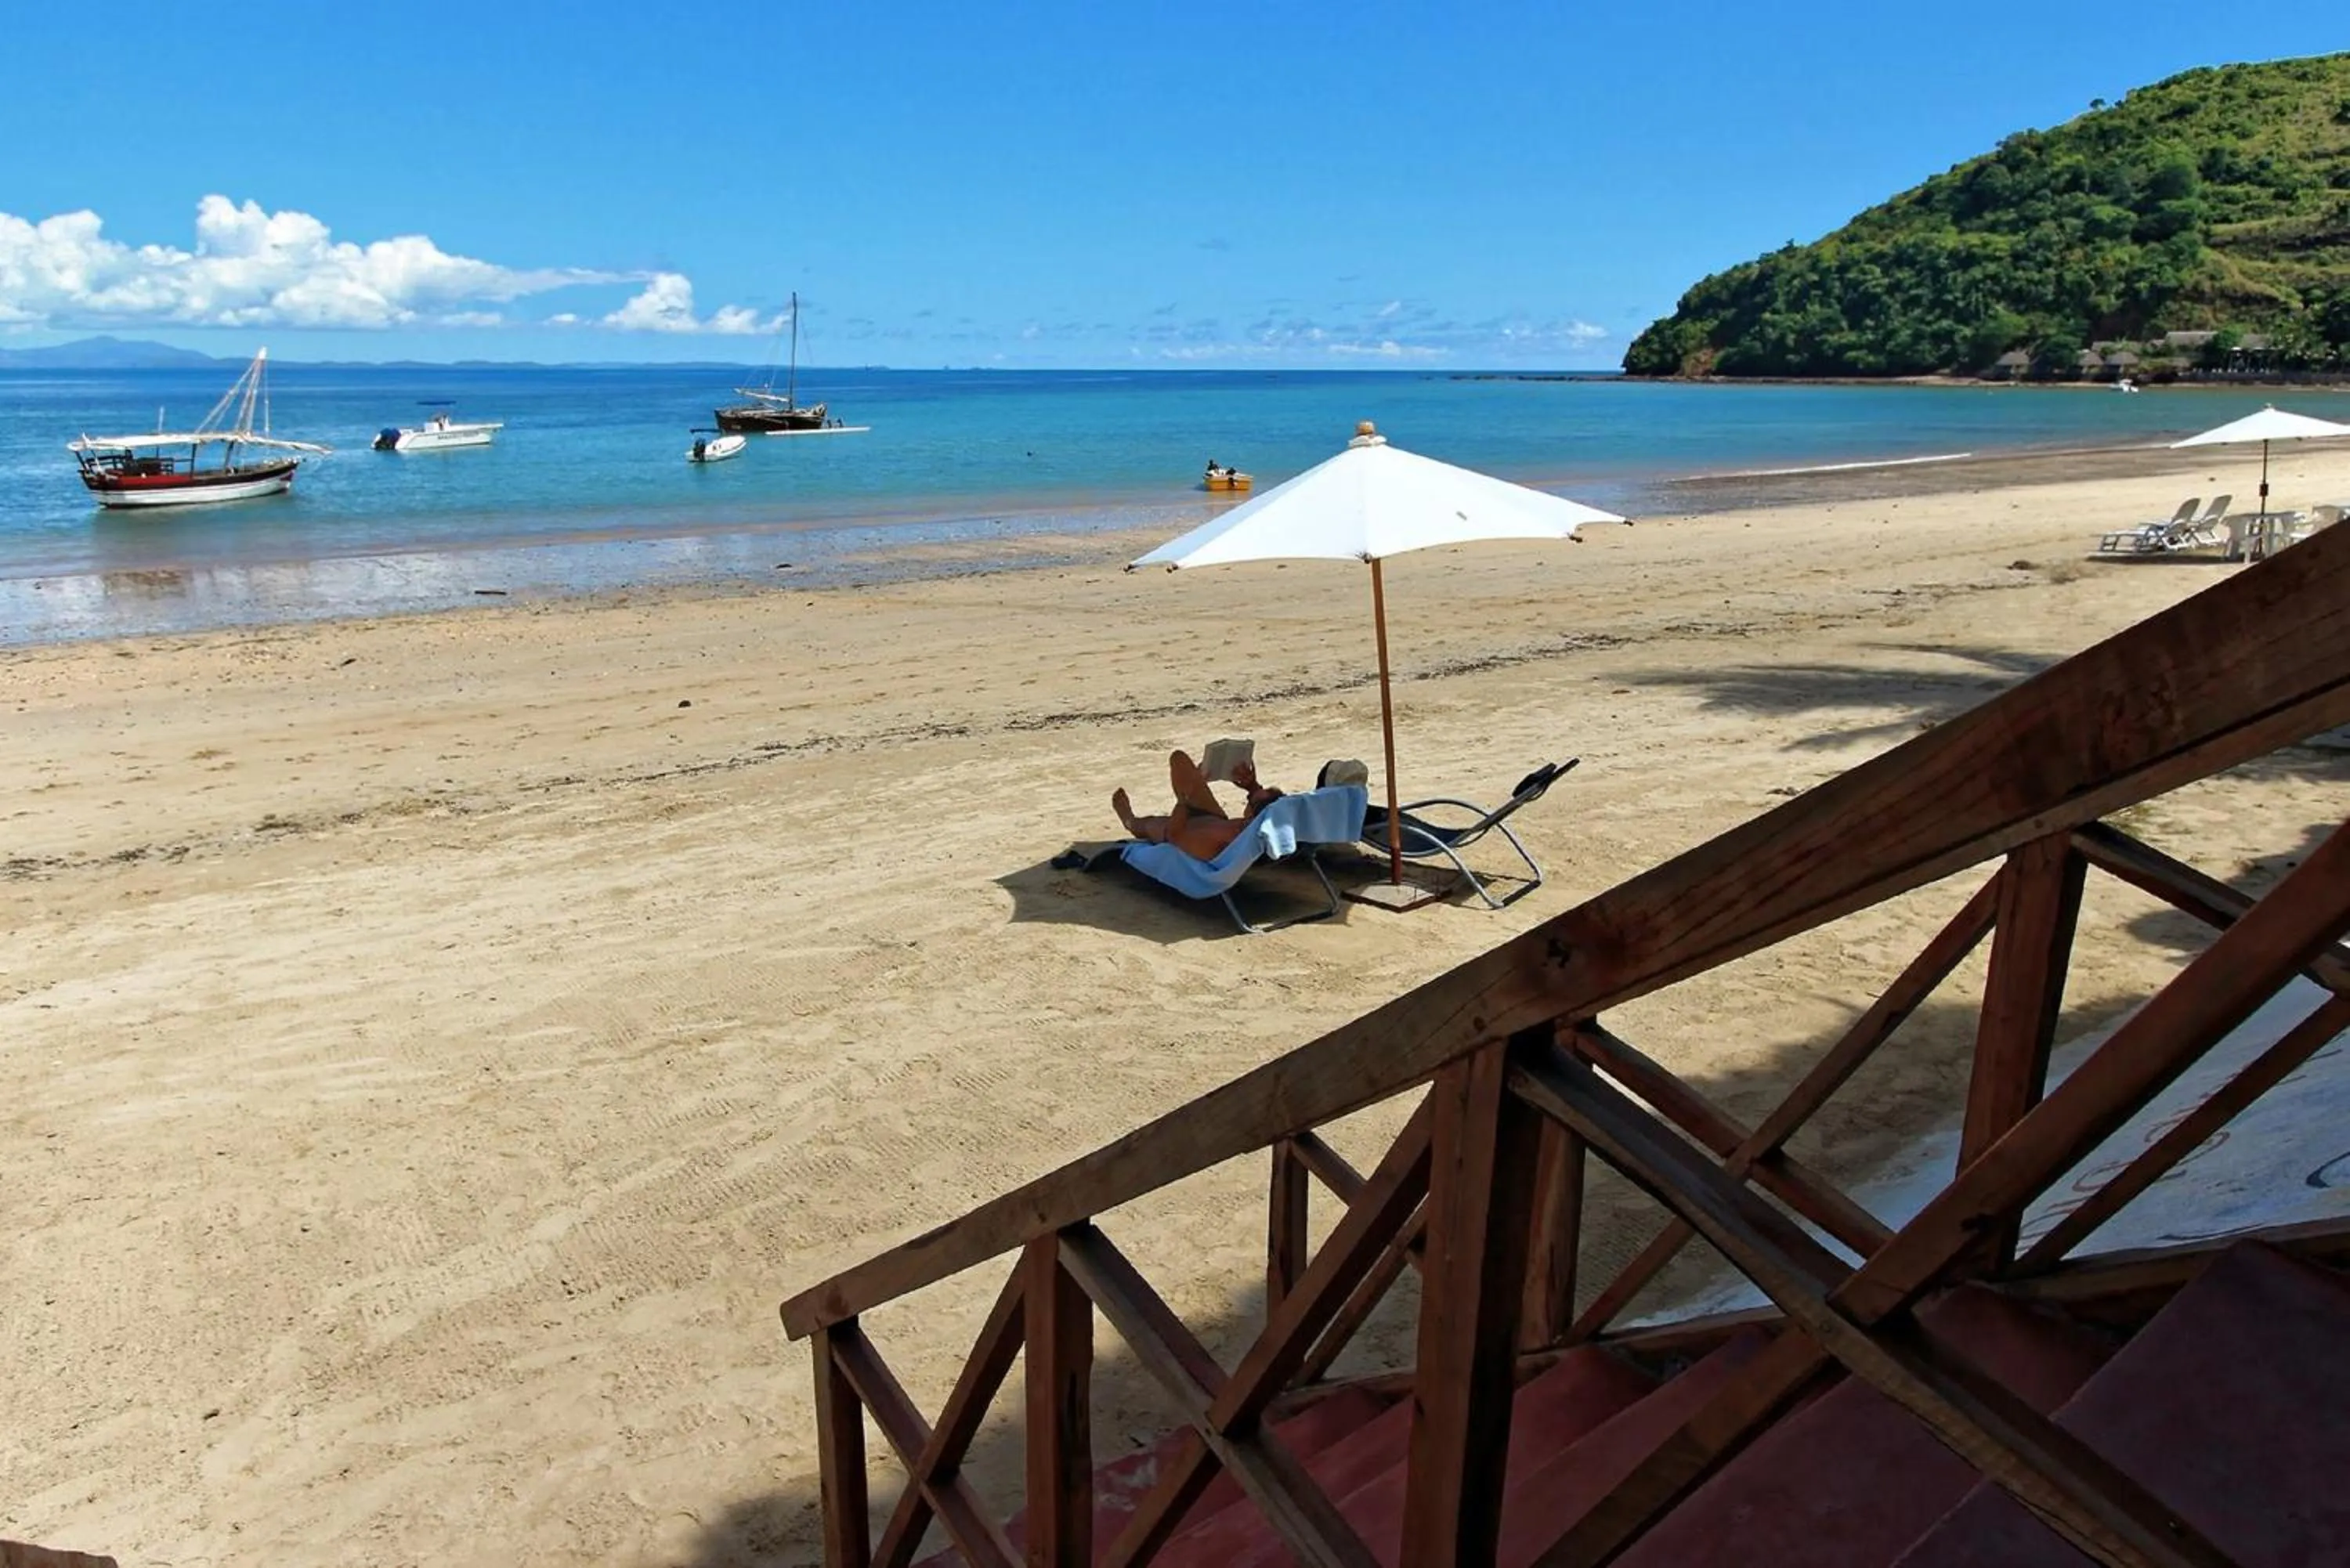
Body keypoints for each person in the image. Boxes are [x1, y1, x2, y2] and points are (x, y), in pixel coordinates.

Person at [1113, 749, 1284, 862]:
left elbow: (1175, 836)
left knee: (1144, 825)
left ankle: (1129, 819)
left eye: (1251, 799)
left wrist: (1183, 799)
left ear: (1253, 816)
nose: (1250, 797)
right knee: (1179, 759)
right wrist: (1252, 786)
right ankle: (1196, 781)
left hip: (1178, 830)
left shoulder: (1225, 839)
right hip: (1211, 818)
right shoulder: (1254, 827)